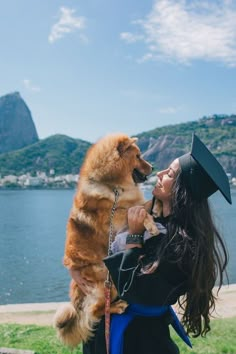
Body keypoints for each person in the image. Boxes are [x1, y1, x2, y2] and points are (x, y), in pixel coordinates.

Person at [71, 134, 232, 354]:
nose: (160, 173)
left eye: (170, 174)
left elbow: (135, 291)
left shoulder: (182, 246)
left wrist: (135, 235)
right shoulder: (154, 220)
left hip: (139, 339)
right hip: (109, 325)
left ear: (181, 190)